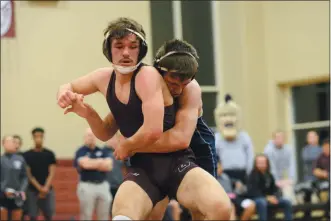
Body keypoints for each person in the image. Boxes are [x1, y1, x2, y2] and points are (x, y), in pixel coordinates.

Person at [57, 17, 231, 220]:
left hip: (191, 146)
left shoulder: (185, 88)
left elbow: (180, 139)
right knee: (149, 214)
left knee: (210, 210)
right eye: (172, 81)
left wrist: (129, 144)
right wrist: (78, 103)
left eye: (185, 80)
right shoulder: (132, 80)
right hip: (147, 162)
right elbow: (110, 127)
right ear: (160, 70)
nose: (177, 88)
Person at [74, 128, 113, 220]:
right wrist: (100, 162)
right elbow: (84, 164)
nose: (91, 138)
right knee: (86, 215)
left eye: (92, 135)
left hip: (102, 185)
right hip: (87, 186)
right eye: (88, 135)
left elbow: (109, 166)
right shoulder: (80, 151)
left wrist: (92, 163)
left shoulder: (103, 151)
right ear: (84, 138)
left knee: (104, 215)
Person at [23, 128, 56, 221]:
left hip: (48, 190)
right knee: (33, 215)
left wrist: (45, 188)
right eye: (36, 137)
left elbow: (52, 172)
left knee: (49, 215)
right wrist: (39, 188)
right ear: (33, 138)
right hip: (32, 190)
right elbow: (28, 174)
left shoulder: (49, 154)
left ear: (43, 137)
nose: (38, 139)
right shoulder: (26, 155)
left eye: (40, 136)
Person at [247, 154, 292, 221]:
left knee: (287, 202)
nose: (261, 164)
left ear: (267, 163)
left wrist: (275, 197)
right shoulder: (252, 175)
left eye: (263, 162)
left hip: (270, 198)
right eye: (259, 163)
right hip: (257, 199)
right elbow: (252, 192)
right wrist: (266, 197)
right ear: (255, 164)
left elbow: (275, 189)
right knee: (262, 202)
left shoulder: (270, 175)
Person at [0, 135, 28, 221]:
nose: (10, 144)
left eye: (12, 142)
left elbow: (24, 177)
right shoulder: (1, 160)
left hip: (17, 195)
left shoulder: (21, 159)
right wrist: (4, 190)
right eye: (7, 142)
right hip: (2, 195)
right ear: (3, 144)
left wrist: (21, 190)